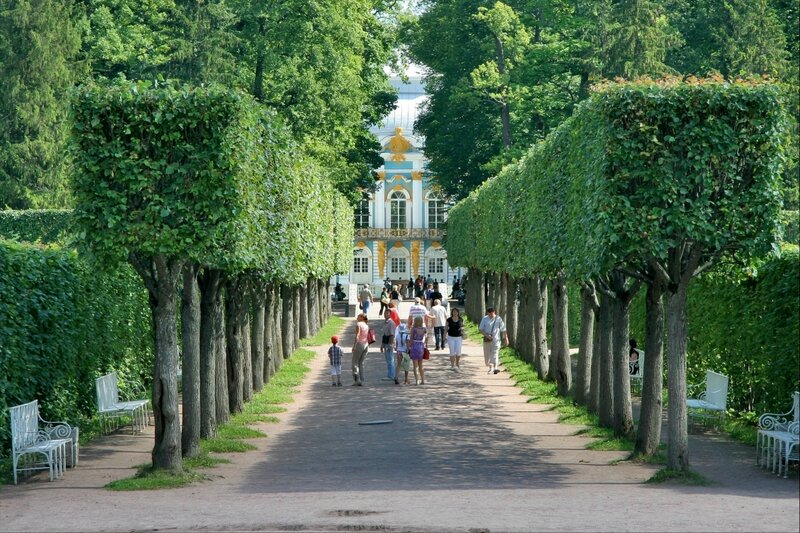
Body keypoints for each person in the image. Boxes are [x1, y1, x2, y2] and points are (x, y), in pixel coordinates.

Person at [479, 307, 508, 374]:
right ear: (487, 313)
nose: (491, 316)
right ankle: (490, 367)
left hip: (496, 340)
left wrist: (506, 338)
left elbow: (503, 329)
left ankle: (495, 368)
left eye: (492, 314)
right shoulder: (484, 319)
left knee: (495, 353)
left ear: (494, 312)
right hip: (487, 340)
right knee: (487, 356)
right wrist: (487, 335)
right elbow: (480, 329)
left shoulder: (498, 319)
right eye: (489, 314)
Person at [351, 313, 370, 385]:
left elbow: (357, 335)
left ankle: (357, 380)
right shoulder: (366, 325)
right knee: (361, 363)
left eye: (358, 316)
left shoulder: (358, 324)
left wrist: (354, 346)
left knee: (354, 363)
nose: (357, 317)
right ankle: (362, 379)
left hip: (360, 344)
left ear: (362, 317)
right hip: (366, 344)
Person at [409, 315, 427, 385]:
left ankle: (417, 380)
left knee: (415, 365)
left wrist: (409, 347)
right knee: (421, 365)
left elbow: (411, 339)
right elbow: (426, 337)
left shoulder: (413, 329)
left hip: (414, 345)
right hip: (421, 346)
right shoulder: (424, 329)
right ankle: (423, 380)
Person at [381, 309, 397, 380]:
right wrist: (382, 344)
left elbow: (392, 335)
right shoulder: (385, 322)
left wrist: (390, 345)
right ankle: (390, 374)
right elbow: (384, 334)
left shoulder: (391, 323)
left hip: (389, 343)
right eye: (385, 313)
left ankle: (392, 375)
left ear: (390, 314)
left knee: (390, 359)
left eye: (387, 313)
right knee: (388, 359)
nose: (386, 314)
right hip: (385, 342)